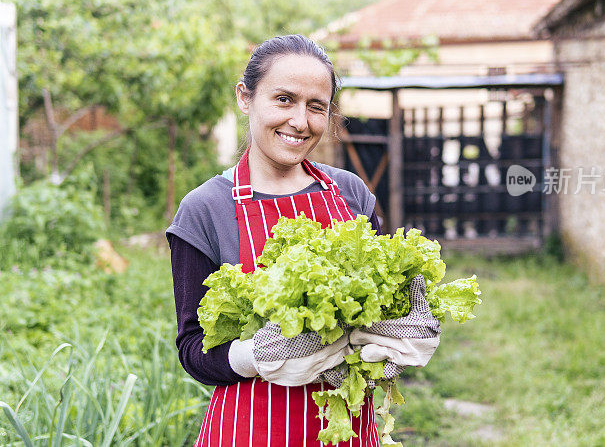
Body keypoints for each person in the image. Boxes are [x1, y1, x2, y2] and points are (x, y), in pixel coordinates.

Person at [166, 34, 439, 446]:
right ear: (245, 97)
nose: (300, 121)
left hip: (347, 427)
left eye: (316, 107)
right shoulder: (205, 209)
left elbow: (391, 302)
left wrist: (405, 333)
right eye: (283, 99)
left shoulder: (350, 192)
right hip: (251, 430)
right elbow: (193, 350)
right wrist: (253, 356)